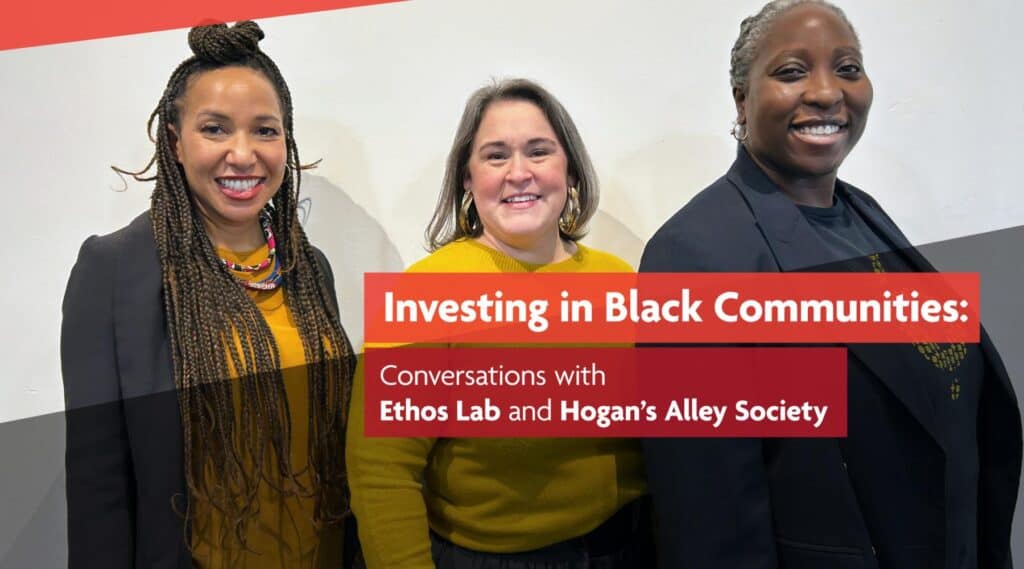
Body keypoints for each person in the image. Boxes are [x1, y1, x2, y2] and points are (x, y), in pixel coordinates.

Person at [640, 1, 1021, 567]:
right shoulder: (693, 256)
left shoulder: (862, 213)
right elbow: (708, 520)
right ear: (742, 101)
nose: (826, 92)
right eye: (792, 71)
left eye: (847, 68)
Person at [60, 21, 356, 569]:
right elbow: (98, 484)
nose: (242, 154)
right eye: (215, 129)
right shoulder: (115, 270)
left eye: (265, 131)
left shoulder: (310, 269)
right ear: (175, 141)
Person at [346, 78, 652, 569]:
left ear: (569, 170)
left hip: (626, 549)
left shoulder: (620, 280)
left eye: (538, 151)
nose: (519, 173)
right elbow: (381, 476)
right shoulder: (425, 293)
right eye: (495, 156)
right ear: (468, 179)